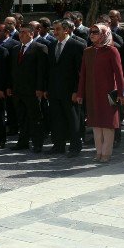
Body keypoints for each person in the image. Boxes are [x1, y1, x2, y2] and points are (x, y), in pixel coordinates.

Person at [76, 24, 124, 163]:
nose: (92, 34)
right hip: (92, 92)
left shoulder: (112, 51)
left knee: (108, 123)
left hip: (109, 93)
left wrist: (121, 93)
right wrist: (80, 93)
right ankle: (98, 152)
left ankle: (106, 153)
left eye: (96, 32)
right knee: (96, 123)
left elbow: (119, 74)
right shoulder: (88, 51)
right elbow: (83, 75)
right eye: (91, 32)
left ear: (104, 33)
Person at [48, 20, 86, 157]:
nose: (55, 32)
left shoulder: (77, 46)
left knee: (73, 119)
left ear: (66, 30)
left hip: (70, 91)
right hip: (55, 90)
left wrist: (77, 90)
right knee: (57, 118)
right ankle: (58, 145)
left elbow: (80, 72)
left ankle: (75, 146)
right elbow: (50, 69)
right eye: (54, 29)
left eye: (57, 29)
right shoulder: (52, 45)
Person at [8, 23, 49, 152]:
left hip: (33, 91)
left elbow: (42, 71)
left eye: (25, 32)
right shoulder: (15, 49)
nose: (21, 34)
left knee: (35, 118)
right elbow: (12, 70)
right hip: (18, 90)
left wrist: (40, 88)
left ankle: (37, 143)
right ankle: (23, 142)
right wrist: (10, 86)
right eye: (20, 32)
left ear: (32, 33)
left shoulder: (39, 48)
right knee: (22, 117)